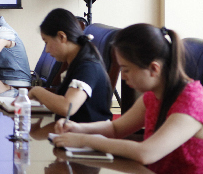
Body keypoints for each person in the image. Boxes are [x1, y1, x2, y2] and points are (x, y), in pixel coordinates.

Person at [53, 24, 203, 173]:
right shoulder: (153, 95)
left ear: (154, 69)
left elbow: (146, 153)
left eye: (126, 70)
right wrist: (78, 128)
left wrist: (85, 140)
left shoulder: (191, 101)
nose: (123, 77)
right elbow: (115, 128)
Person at [28, 8, 112, 122]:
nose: (46, 50)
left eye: (46, 42)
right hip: (74, 128)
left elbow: (67, 107)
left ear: (62, 37)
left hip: (91, 132)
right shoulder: (76, 62)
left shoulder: (88, 67)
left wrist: (37, 91)